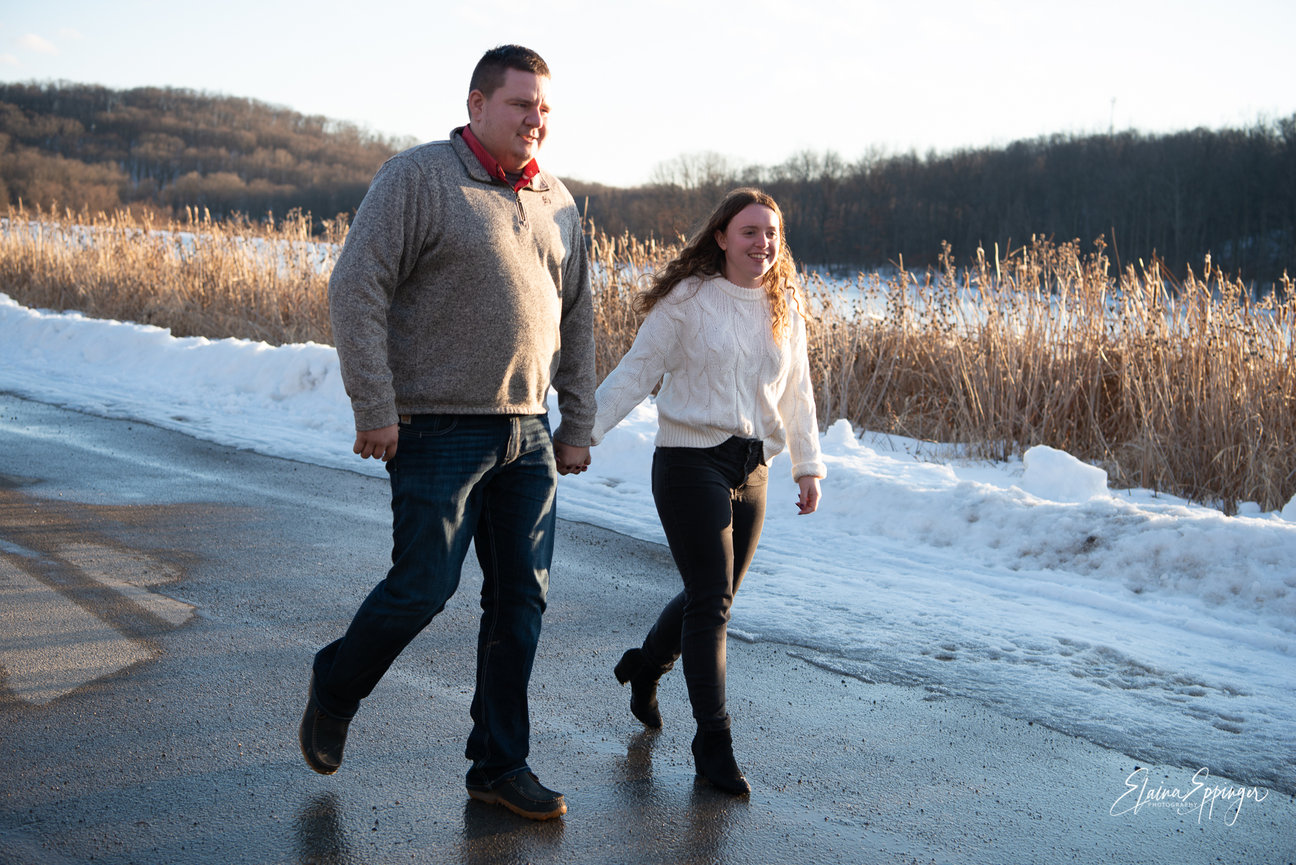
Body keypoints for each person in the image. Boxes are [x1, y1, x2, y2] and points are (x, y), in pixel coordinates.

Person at [298, 44, 595, 822]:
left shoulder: (560, 201)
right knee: (425, 586)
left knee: (520, 602)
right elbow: (356, 286)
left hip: (527, 434)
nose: (536, 119)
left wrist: (577, 419)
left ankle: (499, 765)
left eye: (544, 108)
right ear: (476, 105)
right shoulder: (418, 178)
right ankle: (336, 684)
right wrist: (375, 404)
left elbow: (579, 318)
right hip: (435, 427)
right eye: (521, 104)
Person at [591, 188, 825, 795]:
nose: (763, 244)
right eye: (750, 232)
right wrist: (579, 434)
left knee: (711, 596)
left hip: (752, 468)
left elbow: (797, 391)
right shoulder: (688, 299)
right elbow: (637, 371)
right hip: (689, 458)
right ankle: (712, 744)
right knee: (712, 599)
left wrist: (807, 465)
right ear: (721, 237)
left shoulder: (785, 304)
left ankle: (647, 666)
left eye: (772, 233)